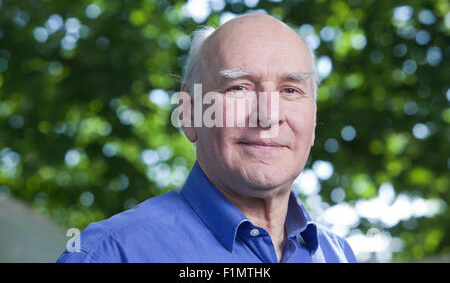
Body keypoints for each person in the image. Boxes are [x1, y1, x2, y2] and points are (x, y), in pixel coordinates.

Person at [57, 13, 357, 263]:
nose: (267, 116)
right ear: (188, 112)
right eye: (238, 88)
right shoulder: (109, 255)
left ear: (314, 118)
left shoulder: (338, 255)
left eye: (290, 90)